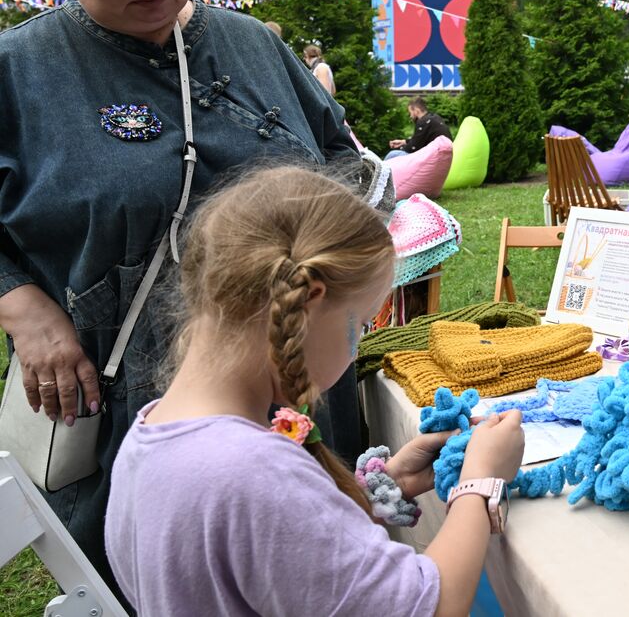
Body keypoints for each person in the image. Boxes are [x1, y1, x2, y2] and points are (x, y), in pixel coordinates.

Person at [0, 0, 374, 583]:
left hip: (298, 382)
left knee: (317, 571)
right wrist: (19, 301)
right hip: (129, 415)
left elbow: (345, 168)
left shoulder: (254, 48)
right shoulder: (20, 73)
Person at [106, 166, 525, 616]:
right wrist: (480, 482)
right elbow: (436, 606)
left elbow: (276, 555)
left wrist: (388, 487)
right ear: (310, 301)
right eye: (363, 324)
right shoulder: (252, 475)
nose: (358, 344)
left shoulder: (150, 436)